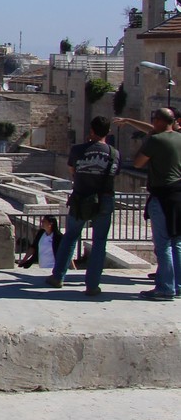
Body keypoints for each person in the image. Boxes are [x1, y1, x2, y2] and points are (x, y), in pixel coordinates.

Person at [48, 115, 119, 295]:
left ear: (91, 131)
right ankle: (92, 285)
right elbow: (114, 174)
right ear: (108, 132)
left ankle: (58, 276)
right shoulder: (114, 153)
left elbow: (72, 169)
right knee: (99, 242)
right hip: (104, 200)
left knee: (70, 236)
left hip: (81, 198)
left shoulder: (78, 150)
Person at [116, 107, 181, 300]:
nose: (152, 123)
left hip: (161, 195)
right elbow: (152, 130)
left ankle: (165, 288)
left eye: (154, 119)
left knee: (163, 245)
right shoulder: (178, 137)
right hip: (179, 194)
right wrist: (129, 120)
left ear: (160, 121)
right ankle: (178, 285)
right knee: (177, 242)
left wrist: (147, 143)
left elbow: (137, 163)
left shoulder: (154, 140)